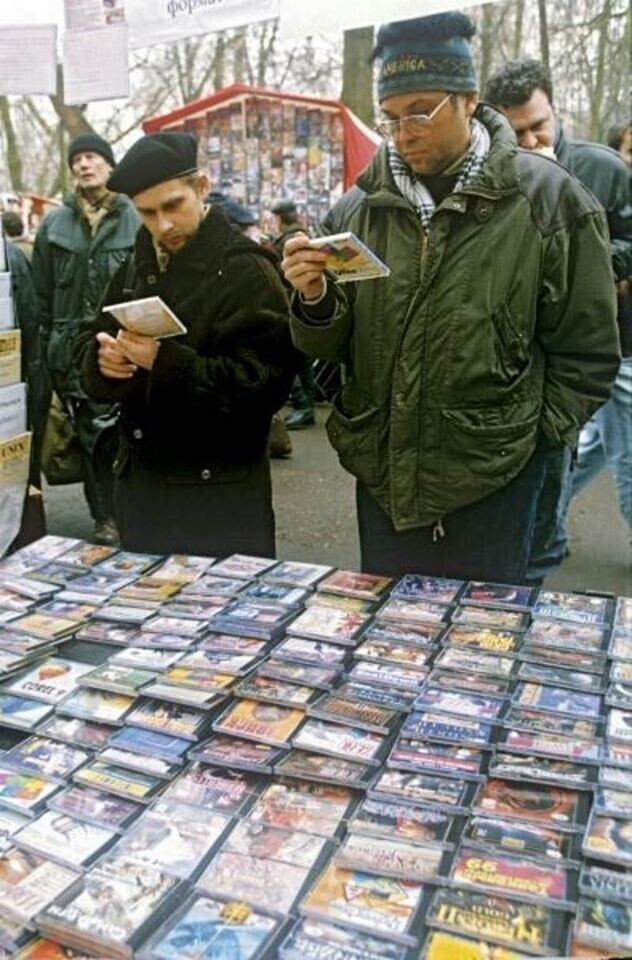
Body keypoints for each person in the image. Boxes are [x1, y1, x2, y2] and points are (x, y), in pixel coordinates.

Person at [281, 11, 620, 581]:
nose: (402, 131)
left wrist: (536, 442)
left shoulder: (550, 201)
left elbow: (588, 354)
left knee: (483, 645)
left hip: (498, 480)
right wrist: (314, 298)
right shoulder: (356, 210)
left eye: (420, 112)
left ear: (467, 99)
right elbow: (334, 350)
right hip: (384, 477)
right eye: (389, 117)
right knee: (389, 647)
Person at [75, 132, 296, 557]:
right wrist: (103, 361)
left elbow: (266, 386)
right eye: (147, 213)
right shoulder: (136, 262)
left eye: (172, 206)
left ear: (201, 187)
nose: (163, 225)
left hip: (218, 505)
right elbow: (92, 334)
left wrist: (166, 362)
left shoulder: (246, 269)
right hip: (142, 494)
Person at [486, 60, 632, 577]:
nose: (529, 139)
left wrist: (586, 257)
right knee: (559, 451)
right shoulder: (493, 173)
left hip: (599, 342)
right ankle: (545, 539)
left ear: (554, 108)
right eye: (516, 130)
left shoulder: (604, 167)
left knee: (602, 446)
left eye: (538, 124)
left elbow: (629, 241)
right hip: (527, 348)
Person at [32, 133, 139, 546]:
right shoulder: (54, 223)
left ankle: (130, 509)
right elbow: (41, 293)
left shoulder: (134, 217)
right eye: (77, 159)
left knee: (124, 432)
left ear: (110, 166)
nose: (83, 165)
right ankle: (104, 515)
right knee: (90, 437)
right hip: (69, 350)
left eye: (92, 157)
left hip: (122, 343)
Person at [272, 200, 316, 430]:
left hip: (291, 304)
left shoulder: (290, 239)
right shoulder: (299, 234)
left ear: (279, 218)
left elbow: (286, 273)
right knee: (301, 357)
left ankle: (304, 406)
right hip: (298, 303)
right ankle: (306, 403)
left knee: (293, 356)